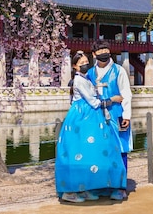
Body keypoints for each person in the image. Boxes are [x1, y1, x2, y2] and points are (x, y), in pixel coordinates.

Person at [55, 51, 127, 203]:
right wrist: (112, 100)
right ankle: (72, 189)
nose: (85, 66)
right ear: (74, 66)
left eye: (86, 62)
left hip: (90, 116)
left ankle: (87, 187)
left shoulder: (85, 78)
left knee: (88, 153)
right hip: (83, 117)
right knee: (80, 152)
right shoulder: (79, 81)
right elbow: (93, 102)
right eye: (82, 64)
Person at [86, 40, 132, 201]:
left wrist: (126, 115)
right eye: (100, 50)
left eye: (106, 49)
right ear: (94, 54)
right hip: (97, 117)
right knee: (98, 150)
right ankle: (102, 185)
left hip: (117, 115)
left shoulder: (118, 71)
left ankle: (119, 186)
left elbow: (126, 94)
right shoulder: (90, 74)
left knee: (120, 149)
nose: (104, 52)